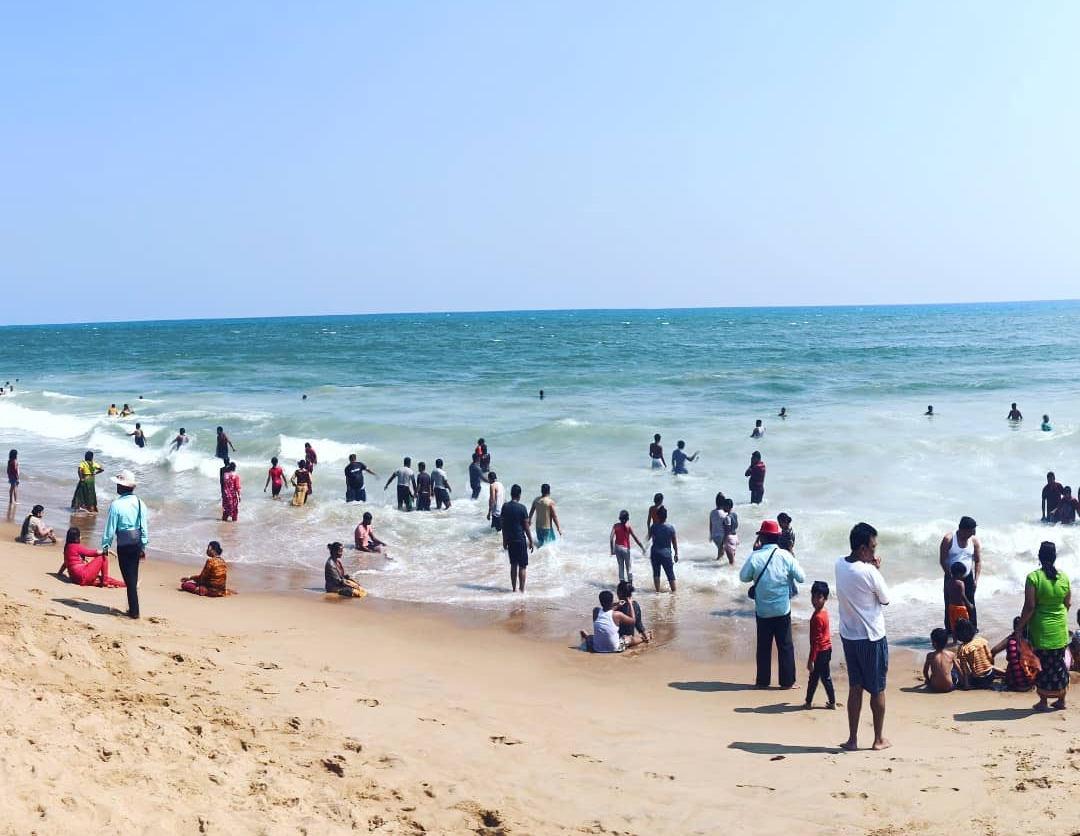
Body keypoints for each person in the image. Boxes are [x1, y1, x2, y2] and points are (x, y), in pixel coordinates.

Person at [835, 521, 890, 751]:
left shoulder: (839, 564)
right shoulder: (869, 572)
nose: (874, 553)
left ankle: (852, 739)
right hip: (872, 637)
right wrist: (875, 569)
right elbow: (885, 599)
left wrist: (871, 567)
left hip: (849, 635)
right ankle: (878, 739)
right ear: (862, 549)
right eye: (872, 548)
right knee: (877, 688)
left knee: (855, 687)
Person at [739, 519, 804, 689]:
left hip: (763, 611)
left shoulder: (755, 556)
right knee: (785, 646)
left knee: (763, 647)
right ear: (777, 537)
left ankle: (762, 682)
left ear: (762, 538)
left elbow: (743, 577)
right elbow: (801, 577)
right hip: (782, 609)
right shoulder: (785, 556)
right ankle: (788, 682)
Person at [1016, 541, 1071, 711]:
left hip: (1041, 631)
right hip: (1060, 629)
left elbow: (1030, 606)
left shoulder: (1033, 578)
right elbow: (1067, 603)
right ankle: (1061, 700)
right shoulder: (1064, 577)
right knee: (1059, 666)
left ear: (1039, 557)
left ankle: (1043, 701)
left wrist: (1019, 628)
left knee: (1041, 666)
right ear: (1054, 557)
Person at [101, 469, 149, 619]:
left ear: (122, 487)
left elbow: (110, 528)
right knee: (132, 576)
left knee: (129, 579)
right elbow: (144, 527)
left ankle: (134, 611)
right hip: (136, 543)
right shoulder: (141, 503)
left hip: (123, 544)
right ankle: (133, 609)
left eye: (118, 484)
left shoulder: (116, 505)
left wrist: (105, 545)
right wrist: (143, 546)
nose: (117, 487)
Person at [940, 516, 981, 631]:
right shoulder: (948, 539)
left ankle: (972, 629)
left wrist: (976, 580)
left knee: (970, 603)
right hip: (951, 576)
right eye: (971, 531)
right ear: (962, 529)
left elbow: (978, 561)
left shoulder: (973, 541)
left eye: (974, 531)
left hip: (968, 577)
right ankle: (951, 631)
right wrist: (951, 577)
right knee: (950, 604)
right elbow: (942, 560)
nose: (972, 534)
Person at [59, 527, 124, 587]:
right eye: (80, 536)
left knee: (101, 579)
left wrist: (59, 573)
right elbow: (93, 553)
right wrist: (108, 550)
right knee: (103, 555)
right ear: (76, 538)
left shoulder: (67, 548)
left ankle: (125, 584)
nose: (81, 537)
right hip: (82, 575)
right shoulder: (76, 546)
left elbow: (65, 563)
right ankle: (105, 582)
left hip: (75, 579)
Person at [806, 580, 835, 708]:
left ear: (825, 598)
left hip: (820, 652)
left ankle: (808, 702)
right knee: (825, 677)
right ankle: (832, 702)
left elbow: (816, 641)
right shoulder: (824, 612)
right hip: (827, 649)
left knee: (814, 678)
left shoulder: (817, 617)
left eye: (819, 597)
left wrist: (811, 659)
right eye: (813, 596)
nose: (815, 600)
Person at [500, 484, 534, 592]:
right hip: (520, 539)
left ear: (511, 494)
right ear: (519, 495)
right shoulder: (522, 508)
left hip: (510, 540)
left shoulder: (505, 507)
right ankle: (522, 590)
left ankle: (514, 589)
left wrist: (504, 541)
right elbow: (526, 527)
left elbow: (503, 526)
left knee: (513, 565)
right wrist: (531, 541)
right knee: (522, 566)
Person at [991, 617, 1038, 692]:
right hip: (1030, 683)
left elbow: (993, 651)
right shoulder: (1032, 640)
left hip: (1014, 685)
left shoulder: (1010, 639)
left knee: (1013, 663)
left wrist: (991, 669)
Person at [953, 618, 1000, 689]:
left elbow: (965, 670)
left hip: (979, 680)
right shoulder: (982, 640)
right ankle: (1002, 673)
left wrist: (966, 686)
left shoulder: (963, 649)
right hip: (991, 675)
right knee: (985, 665)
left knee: (956, 667)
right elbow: (990, 657)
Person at [647, 506, 679, 594]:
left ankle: (657, 592)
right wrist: (676, 553)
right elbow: (674, 542)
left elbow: (650, 537)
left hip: (655, 552)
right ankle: (674, 593)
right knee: (670, 574)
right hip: (666, 553)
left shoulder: (653, 527)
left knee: (656, 573)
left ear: (657, 516)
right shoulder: (670, 528)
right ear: (666, 516)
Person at [610, 510, 644, 583]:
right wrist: (642, 548)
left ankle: (622, 585)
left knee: (621, 567)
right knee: (629, 568)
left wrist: (612, 550)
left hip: (617, 548)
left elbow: (611, 538)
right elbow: (636, 538)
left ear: (620, 518)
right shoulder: (628, 527)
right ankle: (630, 585)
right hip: (626, 549)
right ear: (628, 518)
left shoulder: (616, 526)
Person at [922, 628, 960, 693]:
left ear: (934, 643)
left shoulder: (930, 655)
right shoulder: (951, 654)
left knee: (933, 675)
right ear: (946, 642)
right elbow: (959, 670)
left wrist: (928, 681)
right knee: (956, 666)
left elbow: (925, 671)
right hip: (949, 687)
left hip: (935, 688)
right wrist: (962, 682)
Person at [615, 580, 651, 645]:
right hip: (630, 637)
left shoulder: (616, 607)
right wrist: (645, 634)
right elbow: (638, 624)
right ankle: (645, 637)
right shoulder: (635, 605)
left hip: (619, 639)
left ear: (619, 593)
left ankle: (644, 638)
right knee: (632, 637)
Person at [945, 561, 973, 634]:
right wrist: (969, 604)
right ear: (959, 574)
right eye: (962, 574)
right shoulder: (960, 583)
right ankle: (967, 637)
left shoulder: (948, 582)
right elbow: (962, 596)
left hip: (951, 607)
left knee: (953, 625)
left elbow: (947, 594)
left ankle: (954, 640)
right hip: (961, 608)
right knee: (965, 624)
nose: (963, 576)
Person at [708, 493, 728, 560]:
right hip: (721, 536)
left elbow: (711, 524)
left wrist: (711, 535)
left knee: (721, 551)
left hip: (714, 536)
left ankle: (718, 563)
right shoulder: (724, 514)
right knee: (721, 552)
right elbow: (727, 527)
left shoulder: (712, 512)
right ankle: (716, 565)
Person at [722, 498, 739, 565]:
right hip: (735, 537)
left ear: (728, 506)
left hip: (729, 539)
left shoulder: (727, 518)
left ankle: (732, 573)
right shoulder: (735, 514)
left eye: (724, 506)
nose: (723, 507)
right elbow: (737, 525)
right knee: (732, 557)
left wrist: (723, 542)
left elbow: (727, 531)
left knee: (731, 561)